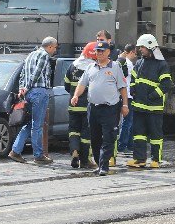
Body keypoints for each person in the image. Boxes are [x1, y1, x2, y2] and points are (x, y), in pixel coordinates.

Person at [71, 41, 129, 175]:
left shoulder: (115, 67)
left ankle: (104, 166)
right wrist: (75, 96)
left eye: (102, 51)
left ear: (108, 52)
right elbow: (82, 84)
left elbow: (122, 87)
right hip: (93, 108)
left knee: (109, 137)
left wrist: (125, 105)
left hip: (110, 108)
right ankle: (99, 163)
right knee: (95, 138)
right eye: (97, 51)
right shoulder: (90, 67)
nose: (99, 53)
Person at [9, 36, 58, 164]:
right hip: (39, 91)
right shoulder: (44, 55)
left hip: (29, 93)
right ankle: (38, 155)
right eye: (55, 48)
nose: (55, 50)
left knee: (30, 123)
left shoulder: (30, 55)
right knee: (37, 125)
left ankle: (15, 151)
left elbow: (22, 74)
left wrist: (22, 88)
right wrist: (27, 86)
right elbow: (36, 73)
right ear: (50, 46)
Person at [127, 34, 173, 169]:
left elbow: (166, 85)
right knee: (138, 135)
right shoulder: (140, 62)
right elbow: (133, 79)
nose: (140, 49)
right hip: (139, 106)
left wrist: (152, 96)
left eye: (143, 47)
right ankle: (139, 159)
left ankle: (155, 160)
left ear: (150, 47)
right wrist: (133, 89)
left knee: (155, 135)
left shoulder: (162, 64)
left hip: (154, 107)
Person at [65, 41, 98, 169]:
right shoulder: (93, 68)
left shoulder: (73, 66)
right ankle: (85, 160)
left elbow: (67, 85)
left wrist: (74, 95)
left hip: (73, 104)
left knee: (73, 130)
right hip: (88, 106)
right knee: (86, 134)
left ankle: (74, 151)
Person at [116, 43, 137, 153]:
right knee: (127, 121)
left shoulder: (122, 62)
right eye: (135, 53)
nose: (135, 56)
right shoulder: (128, 64)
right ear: (132, 52)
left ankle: (129, 144)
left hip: (124, 95)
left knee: (128, 121)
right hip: (127, 95)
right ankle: (123, 145)